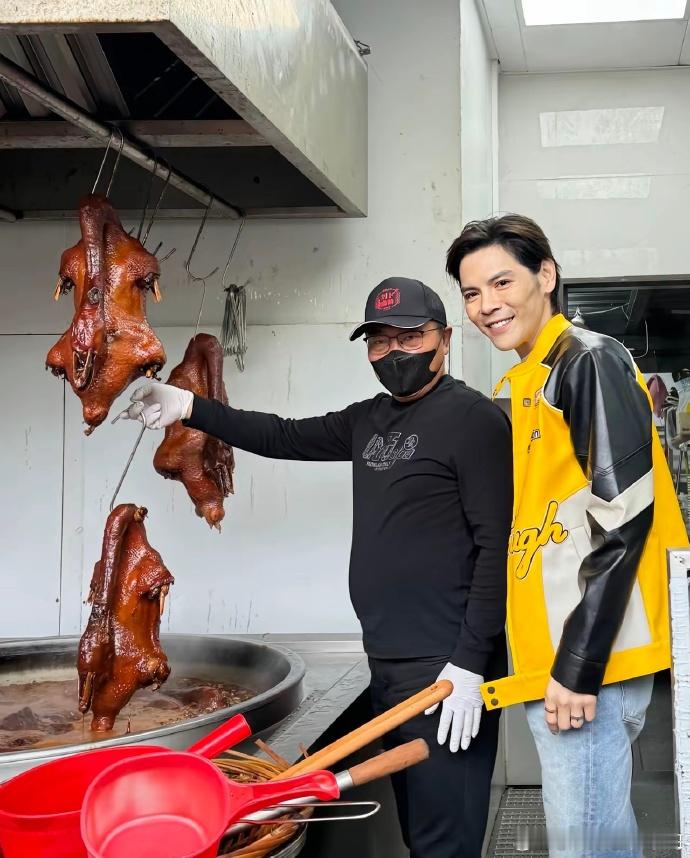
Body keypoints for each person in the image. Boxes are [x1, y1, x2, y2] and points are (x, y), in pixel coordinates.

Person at [120, 277, 512, 858]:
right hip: (388, 659)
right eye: (379, 341)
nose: (394, 352)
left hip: (446, 665)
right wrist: (191, 407)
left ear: (444, 338)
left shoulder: (474, 420)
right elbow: (282, 436)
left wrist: (471, 664)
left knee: (444, 840)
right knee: (418, 830)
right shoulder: (367, 420)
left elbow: (497, 548)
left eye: (409, 337)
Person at [446, 215, 689, 858]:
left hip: (588, 665)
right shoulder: (531, 379)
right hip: (562, 661)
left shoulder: (587, 361)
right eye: (471, 293)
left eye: (502, 282)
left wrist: (578, 667)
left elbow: (624, 516)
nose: (487, 305)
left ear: (546, 275)